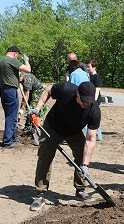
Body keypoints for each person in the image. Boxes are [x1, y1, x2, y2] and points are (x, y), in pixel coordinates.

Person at [28, 81, 101, 211]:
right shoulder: (66, 90)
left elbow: (90, 139)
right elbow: (48, 90)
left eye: (88, 102)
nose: (86, 104)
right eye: (83, 100)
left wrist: (85, 165)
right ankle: (40, 193)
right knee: (45, 156)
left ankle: (80, 190)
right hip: (53, 127)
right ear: (77, 94)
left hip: (74, 131)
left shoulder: (94, 110)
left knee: (81, 155)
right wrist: (38, 108)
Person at [0, 45, 31, 148]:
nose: (17, 57)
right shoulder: (11, 60)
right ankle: (7, 141)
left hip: (3, 90)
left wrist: (12, 77)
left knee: (9, 114)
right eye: (17, 55)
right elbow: (28, 69)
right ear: (14, 53)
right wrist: (26, 61)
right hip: (10, 91)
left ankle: (12, 138)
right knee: (12, 116)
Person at [86, 59, 103, 141]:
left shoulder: (97, 77)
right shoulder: (88, 76)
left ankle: (99, 136)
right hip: (89, 99)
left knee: (95, 117)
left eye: (89, 67)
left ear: (94, 67)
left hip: (95, 100)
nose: (87, 68)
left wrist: (94, 101)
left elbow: (97, 90)